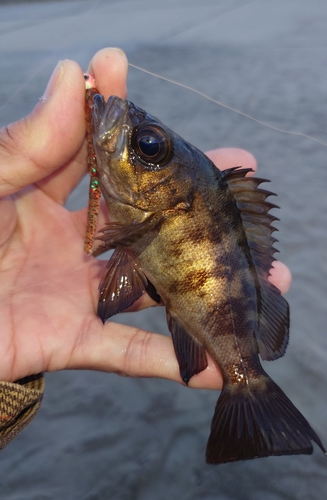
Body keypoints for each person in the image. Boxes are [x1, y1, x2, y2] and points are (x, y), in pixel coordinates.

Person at [0, 48, 292, 448]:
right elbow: (124, 269)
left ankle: (249, 390)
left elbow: (125, 267)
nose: (141, 140)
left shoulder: (147, 220)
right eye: (149, 144)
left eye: (149, 146)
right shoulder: (141, 217)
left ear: (177, 197)